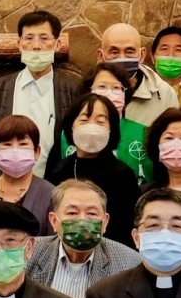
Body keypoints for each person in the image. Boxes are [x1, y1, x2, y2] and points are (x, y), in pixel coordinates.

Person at [0, 11, 84, 175]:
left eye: (44, 38)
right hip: (3, 183)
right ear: (19, 44)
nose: (36, 45)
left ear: (57, 44)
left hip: (55, 185)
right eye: (29, 38)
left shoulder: (72, 91)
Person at [25, 179, 142, 298]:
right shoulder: (29, 253)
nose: (82, 221)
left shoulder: (130, 264)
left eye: (92, 213)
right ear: (54, 221)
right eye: (72, 213)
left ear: (105, 222)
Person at [48, 92, 143, 243]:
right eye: (84, 120)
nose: (91, 127)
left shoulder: (123, 175)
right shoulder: (60, 170)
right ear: (71, 126)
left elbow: (128, 226)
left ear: (111, 129)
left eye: (100, 122)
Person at [77, 63, 152, 184]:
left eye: (116, 88)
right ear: (88, 91)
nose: (109, 93)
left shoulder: (144, 134)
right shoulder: (69, 134)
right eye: (102, 87)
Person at [0, 114, 57, 229]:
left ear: (37, 152)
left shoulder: (50, 195)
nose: (15, 151)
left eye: (23, 144)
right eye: (7, 144)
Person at [104, 23, 180, 125]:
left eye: (129, 52)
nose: (122, 57)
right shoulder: (89, 92)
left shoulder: (165, 95)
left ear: (142, 55)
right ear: (101, 56)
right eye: (114, 52)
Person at [151, 27, 181, 98]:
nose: (170, 55)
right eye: (164, 49)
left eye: (178, 50)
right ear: (152, 57)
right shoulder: (140, 90)